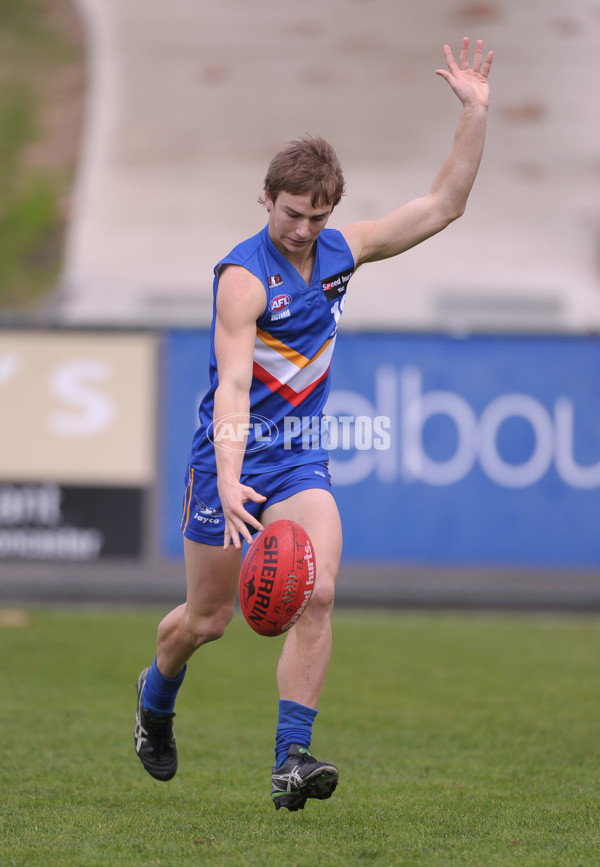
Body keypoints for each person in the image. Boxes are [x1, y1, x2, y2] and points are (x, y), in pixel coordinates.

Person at [134, 37, 493, 811]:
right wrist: (229, 480)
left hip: (299, 458)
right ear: (266, 200)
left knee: (320, 590)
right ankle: (155, 703)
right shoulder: (242, 278)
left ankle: (289, 759)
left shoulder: (339, 252)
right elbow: (232, 386)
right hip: (227, 460)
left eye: (316, 215)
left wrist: (475, 115)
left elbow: (443, 205)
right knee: (207, 619)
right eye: (292, 212)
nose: (302, 228)